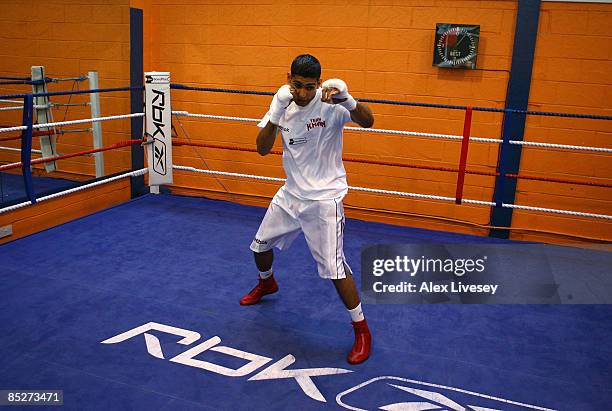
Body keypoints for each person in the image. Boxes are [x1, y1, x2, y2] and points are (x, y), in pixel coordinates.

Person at [241, 54, 374, 364]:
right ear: (289, 78)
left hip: (324, 200)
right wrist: (275, 113)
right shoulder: (282, 103)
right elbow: (261, 149)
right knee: (259, 247)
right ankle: (267, 282)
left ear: (319, 83)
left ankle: (362, 330)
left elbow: (369, 122)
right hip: (291, 194)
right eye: (297, 85)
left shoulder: (330, 104)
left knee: (334, 269)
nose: (302, 93)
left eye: (309, 87)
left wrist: (350, 101)